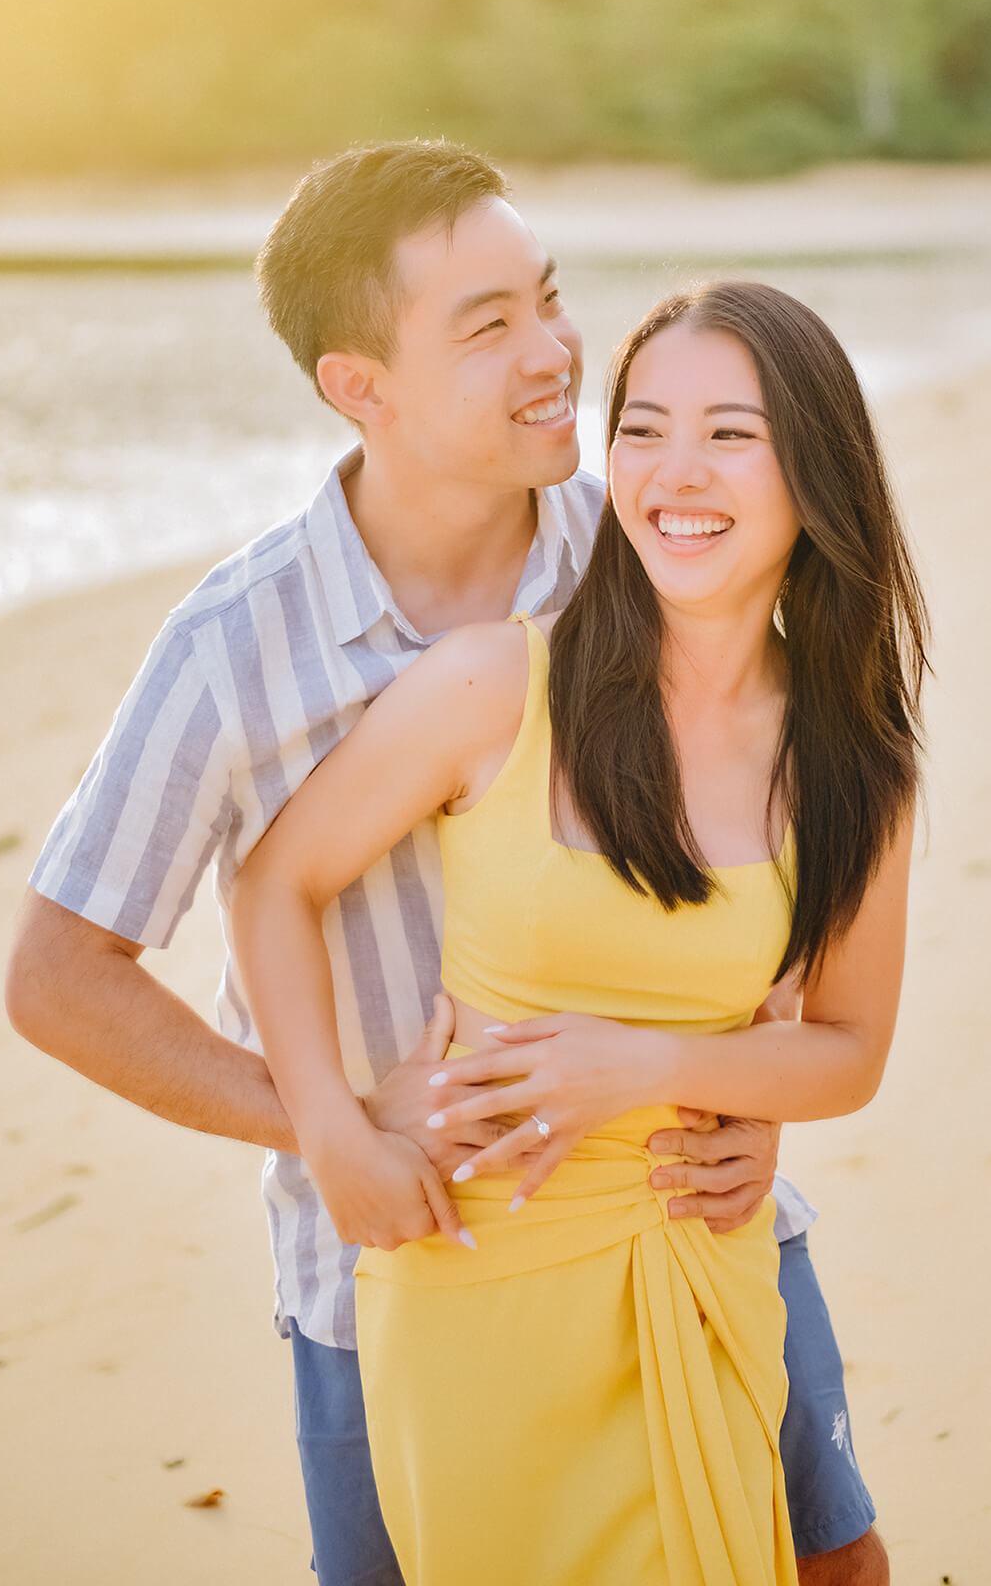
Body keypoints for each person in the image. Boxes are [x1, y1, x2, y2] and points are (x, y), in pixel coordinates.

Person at [5, 140, 894, 1584]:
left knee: (828, 1564)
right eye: (486, 327)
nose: (552, 353)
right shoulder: (238, 648)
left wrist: (756, 1073)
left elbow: (786, 809)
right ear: (359, 386)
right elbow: (57, 978)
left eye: (547, 299)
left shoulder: (643, 541)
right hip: (396, 1269)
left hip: (686, 1208)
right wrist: (334, 1129)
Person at [231, 277, 925, 1584]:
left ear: (813, 470)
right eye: (644, 426)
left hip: (695, 1255)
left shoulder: (853, 766)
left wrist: (656, 1067)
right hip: (475, 1270)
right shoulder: (496, 685)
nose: (674, 472)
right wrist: (329, 1129)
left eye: (730, 432)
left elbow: (845, 1047)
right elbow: (272, 885)